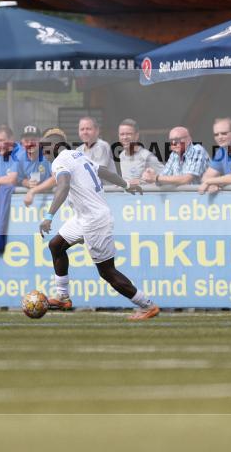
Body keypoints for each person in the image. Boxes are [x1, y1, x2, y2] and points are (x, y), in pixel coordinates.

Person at [38, 130, 160, 320]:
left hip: (94, 220)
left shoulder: (59, 161)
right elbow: (102, 171)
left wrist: (49, 216)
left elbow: (63, 185)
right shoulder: (77, 155)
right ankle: (62, 297)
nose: (44, 156)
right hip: (83, 217)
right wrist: (126, 185)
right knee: (56, 245)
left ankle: (148, 306)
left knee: (107, 271)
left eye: (45, 151)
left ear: (54, 147)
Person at [142, 125, 209, 187]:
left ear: (189, 139)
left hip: (199, 195)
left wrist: (156, 178)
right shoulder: (174, 155)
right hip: (181, 195)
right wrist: (151, 176)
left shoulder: (197, 150)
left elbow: (186, 179)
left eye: (177, 139)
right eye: (171, 140)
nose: (174, 143)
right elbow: (164, 178)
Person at [116, 118, 164, 185]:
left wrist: (141, 182)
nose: (125, 137)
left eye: (129, 134)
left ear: (136, 136)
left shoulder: (147, 156)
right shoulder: (122, 155)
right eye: (122, 134)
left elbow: (166, 177)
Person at [14, 125, 52, 189]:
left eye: (33, 140)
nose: (30, 144)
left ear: (40, 141)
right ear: (22, 143)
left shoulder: (48, 155)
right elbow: (18, 178)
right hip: (29, 193)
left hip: (48, 192)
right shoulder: (19, 158)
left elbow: (56, 178)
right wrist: (26, 182)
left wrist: (38, 188)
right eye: (26, 141)